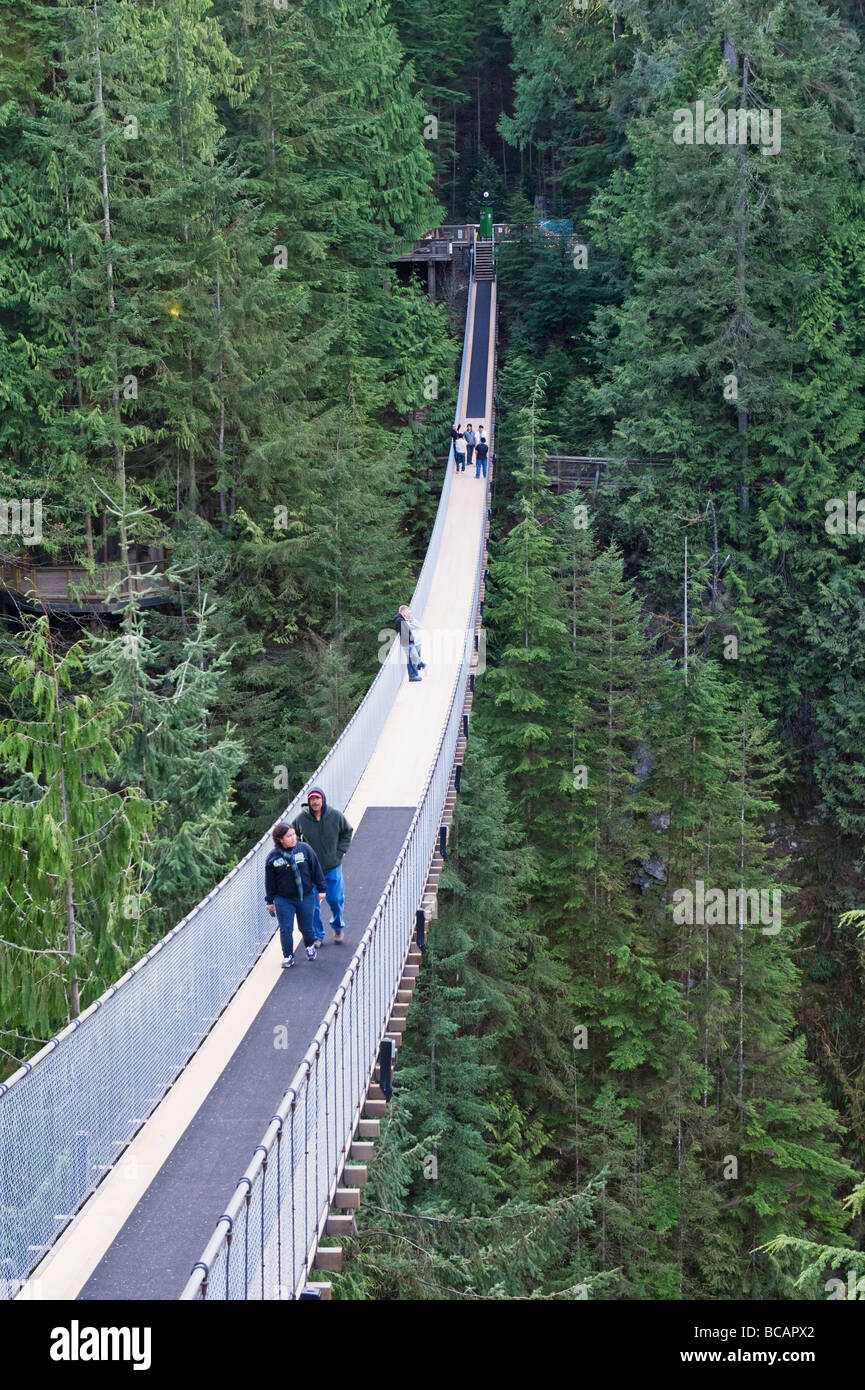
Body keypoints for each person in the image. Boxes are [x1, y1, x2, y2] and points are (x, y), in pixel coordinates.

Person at [293, 788, 353, 945]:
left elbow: (347, 831)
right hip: (310, 869)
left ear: (323, 800)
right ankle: (317, 935)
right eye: (312, 799)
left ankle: (338, 926)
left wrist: (340, 852)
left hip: (332, 866)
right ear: (309, 801)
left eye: (317, 798)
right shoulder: (302, 819)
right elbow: (292, 834)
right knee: (312, 905)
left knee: (335, 900)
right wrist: (298, 854)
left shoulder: (335, 815)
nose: (315, 802)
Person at [265, 822, 326, 968]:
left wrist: (322, 888)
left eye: (294, 835)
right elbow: (270, 881)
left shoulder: (304, 849)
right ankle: (288, 956)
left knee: (306, 928)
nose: (293, 838)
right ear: (280, 839)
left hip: (305, 896)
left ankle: (309, 946)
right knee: (286, 929)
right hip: (283, 899)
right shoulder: (273, 857)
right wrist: (270, 900)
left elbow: (316, 868)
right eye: (289, 836)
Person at [395, 603, 425, 681]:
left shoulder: (411, 620)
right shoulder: (402, 620)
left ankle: (416, 673)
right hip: (409, 642)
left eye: (410, 612)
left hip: (416, 642)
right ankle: (414, 674)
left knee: (414, 659)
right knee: (412, 659)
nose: (409, 614)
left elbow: (420, 626)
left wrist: (412, 619)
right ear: (403, 612)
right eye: (408, 612)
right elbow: (406, 630)